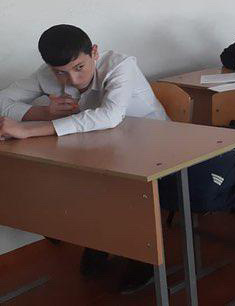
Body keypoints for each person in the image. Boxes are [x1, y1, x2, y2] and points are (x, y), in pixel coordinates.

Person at [0, 24, 168, 293]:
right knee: (75, 181)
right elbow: (3, 100)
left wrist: (27, 130)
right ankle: (98, 240)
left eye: (79, 67)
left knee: (121, 188)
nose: (74, 80)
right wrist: (44, 113)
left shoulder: (120, 65)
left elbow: (110, 116)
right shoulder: (48, 73)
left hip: (153, 148)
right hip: (99, 146)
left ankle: (141, 256)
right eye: (61, 73)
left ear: (94, 52)